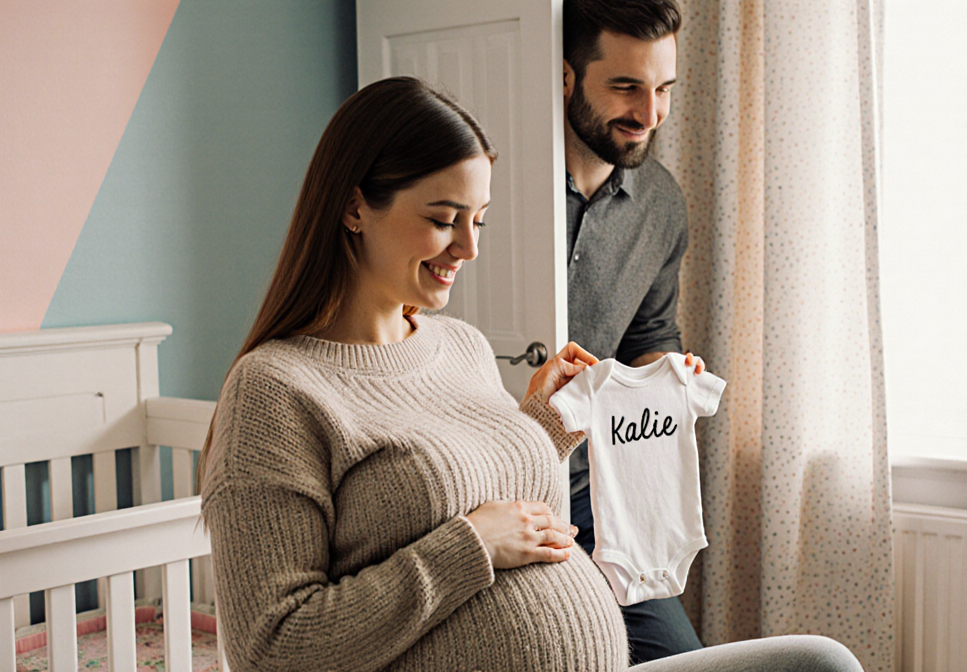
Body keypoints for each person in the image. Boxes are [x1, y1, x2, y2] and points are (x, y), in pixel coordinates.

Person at [198, 76, 864, 672]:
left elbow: (499, 504)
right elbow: (274, 645)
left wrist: (547, 425)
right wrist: (470, 546)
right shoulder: (276, 391)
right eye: (442, 220)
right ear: (353, 209)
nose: (469, 248)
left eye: (479, 220)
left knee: (818, 663)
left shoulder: (458, 346)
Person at [561, 0, 702, 662]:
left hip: (599, 500)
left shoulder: (661, 204)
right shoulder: (495, 190)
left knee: (677, 659)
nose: (650, 115)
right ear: (567, 78)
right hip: (490, 492)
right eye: (626, 87)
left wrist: (667, 374)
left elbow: (651, 332)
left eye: (663, 89)